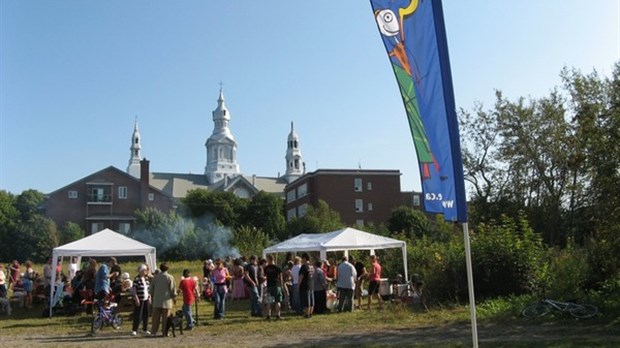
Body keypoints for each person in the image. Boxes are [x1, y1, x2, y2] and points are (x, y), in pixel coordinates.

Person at [150, 262, 177, 337]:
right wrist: (174, 297)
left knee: (155, 318)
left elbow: (151, 288)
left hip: (157, 300)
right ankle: (164, 332)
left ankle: (153, 332)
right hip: (166, 300)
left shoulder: (155, 277)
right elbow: (172, 289)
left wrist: (152, 296)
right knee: (166, 318)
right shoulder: (170, 277)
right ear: (167, 268)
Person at [131, 264, 151, 336]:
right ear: (141, 271)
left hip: (145, 299)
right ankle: (134, 329)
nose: (146, 271)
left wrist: (149, 297)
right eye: (145, 270)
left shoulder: (146, 279)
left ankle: (145, 329)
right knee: (138, 314)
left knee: (146, 314)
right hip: (139, 299)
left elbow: (148, 289)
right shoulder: (136, 279)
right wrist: (136, 298)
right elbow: (134, 290)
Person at [263, 254, 284, 320]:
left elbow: (264, 276)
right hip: (276, 286)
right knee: (277, 301)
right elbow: (281, 278)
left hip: (269, 286)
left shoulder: (266, 268)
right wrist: (282, 285)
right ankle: (278, 315)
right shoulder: (277, 268)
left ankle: (268, 315)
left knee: (269, 301)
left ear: (269, 259)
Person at [298, 253, 315, 318]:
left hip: (305, 285)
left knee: (306, 300)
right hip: (311, 284)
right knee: (311, 299)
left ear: (304, 258)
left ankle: (306, 314)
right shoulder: (311, 266)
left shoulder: (304, 266)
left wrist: (298, 284)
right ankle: (310, 313)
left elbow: (301, 276)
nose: (302, 260)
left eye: (302, 258)